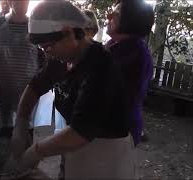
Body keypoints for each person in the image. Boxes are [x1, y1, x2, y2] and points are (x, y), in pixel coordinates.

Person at [10, 1, 136, 179]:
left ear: (68, 32)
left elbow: (80, 132)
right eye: (42, 48)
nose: (47, 53)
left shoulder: (100, 66)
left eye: (48, 46)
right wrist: (21, 123)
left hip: (106, 155)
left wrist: (36, 151)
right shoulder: (61, 61)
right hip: (75, 148)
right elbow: (34, 88)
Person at [0, 0, 43, 139]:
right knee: (5, 132)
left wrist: (39, 87)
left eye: (25, 2)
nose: (22, 5)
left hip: (29, 90)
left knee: (26, 131)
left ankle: (25, 160)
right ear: (10, 2)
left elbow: (45, 56)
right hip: (2, 88)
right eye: (18, 1)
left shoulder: (35, 26)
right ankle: (6, 161)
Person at [105, 0, 154, 145]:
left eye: (116, 13)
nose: (109, 16)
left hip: (115, 132)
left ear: (131, 20)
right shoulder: (117, 46)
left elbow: (107, 91)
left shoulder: (133, 52)